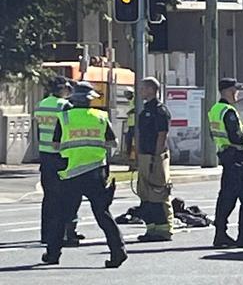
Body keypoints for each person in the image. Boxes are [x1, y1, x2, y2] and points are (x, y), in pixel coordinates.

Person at [43, 82, 127, 268]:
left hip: (71, 173)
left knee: (62, 216)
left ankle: (53, 254)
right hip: (96, 172)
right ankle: (118, 250)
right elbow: (113, 143)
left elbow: (55, 146)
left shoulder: (64, 118)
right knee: (102, 214)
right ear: (90, 100)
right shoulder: (100, 117)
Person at [33, 76, 84, 246]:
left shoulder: (41, 105)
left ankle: (46, 234)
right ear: (63, 89)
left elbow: (38, 131)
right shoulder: (64, 106)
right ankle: (62, 234)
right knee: (64, 197)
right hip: (60, 155)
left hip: (45, 155)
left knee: (49, 198)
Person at [209, 78, 243, 248]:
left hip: (226, 158)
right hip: (238, 160)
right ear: (228, 91)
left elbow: (213, 135)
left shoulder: (214, 110)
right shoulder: (229, 112)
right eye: (235, 90)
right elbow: (236, 137)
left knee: (226, 198)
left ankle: (220, 233)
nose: (237, 93)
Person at [136, 77, 174, 242]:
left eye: (143, 88)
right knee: (144, 193)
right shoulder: (144, 111)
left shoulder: (160, 110)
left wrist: (156, 158)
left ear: (152, 89)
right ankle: (151, 229)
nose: (141, 91)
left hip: (155, 156)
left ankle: (163, 230)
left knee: (157, 192)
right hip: (145, 156)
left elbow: (161, 135)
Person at [124, 88, 136, 161]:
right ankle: (129, 156)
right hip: (131, 124)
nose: (126, 96)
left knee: (131, 141)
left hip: (135, 124)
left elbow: (137, 108)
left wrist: (130, 112)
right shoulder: (130, 101)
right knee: (128, 140)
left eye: (127, 94)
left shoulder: (135, 100)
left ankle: (132, 157)